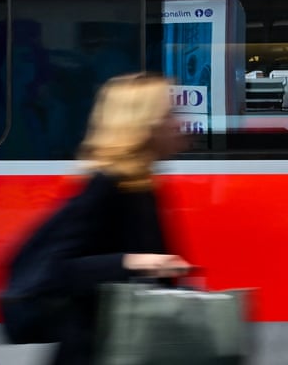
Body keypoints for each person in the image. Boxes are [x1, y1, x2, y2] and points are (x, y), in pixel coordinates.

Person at [45, 72, 192, 365]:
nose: (178, 124)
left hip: (127, 346)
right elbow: (57, 268)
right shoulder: (107, 185)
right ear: (144, 124)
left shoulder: (141, 185)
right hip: (97, 350)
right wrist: (134, 262)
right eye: (168, 115)